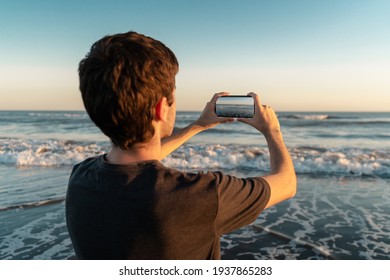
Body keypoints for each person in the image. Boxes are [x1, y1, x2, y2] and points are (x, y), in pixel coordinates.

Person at [66, 31, 296, 260]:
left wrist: (198, 126)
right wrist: (271, 130)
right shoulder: (199, 196)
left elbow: (140, 156)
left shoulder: (80, 178)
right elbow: (287, 183)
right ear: (160, 109)